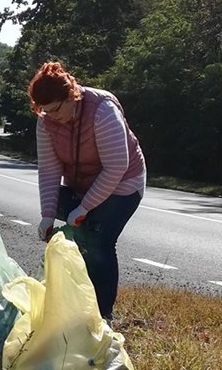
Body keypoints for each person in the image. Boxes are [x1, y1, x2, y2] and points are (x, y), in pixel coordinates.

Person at [28, 62, 146, 321]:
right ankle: (78, 303)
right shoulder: (47, 122)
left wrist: (83, 208)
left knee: (100, 242)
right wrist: (48, 216)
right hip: (81, 185)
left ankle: (103, 316)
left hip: (123, 185)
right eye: (44, 112)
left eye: (56, 109)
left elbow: (117, 167)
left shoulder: (102, 112)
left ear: (71, 95)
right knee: (82, 235)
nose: (52, 117)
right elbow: (49, 171)